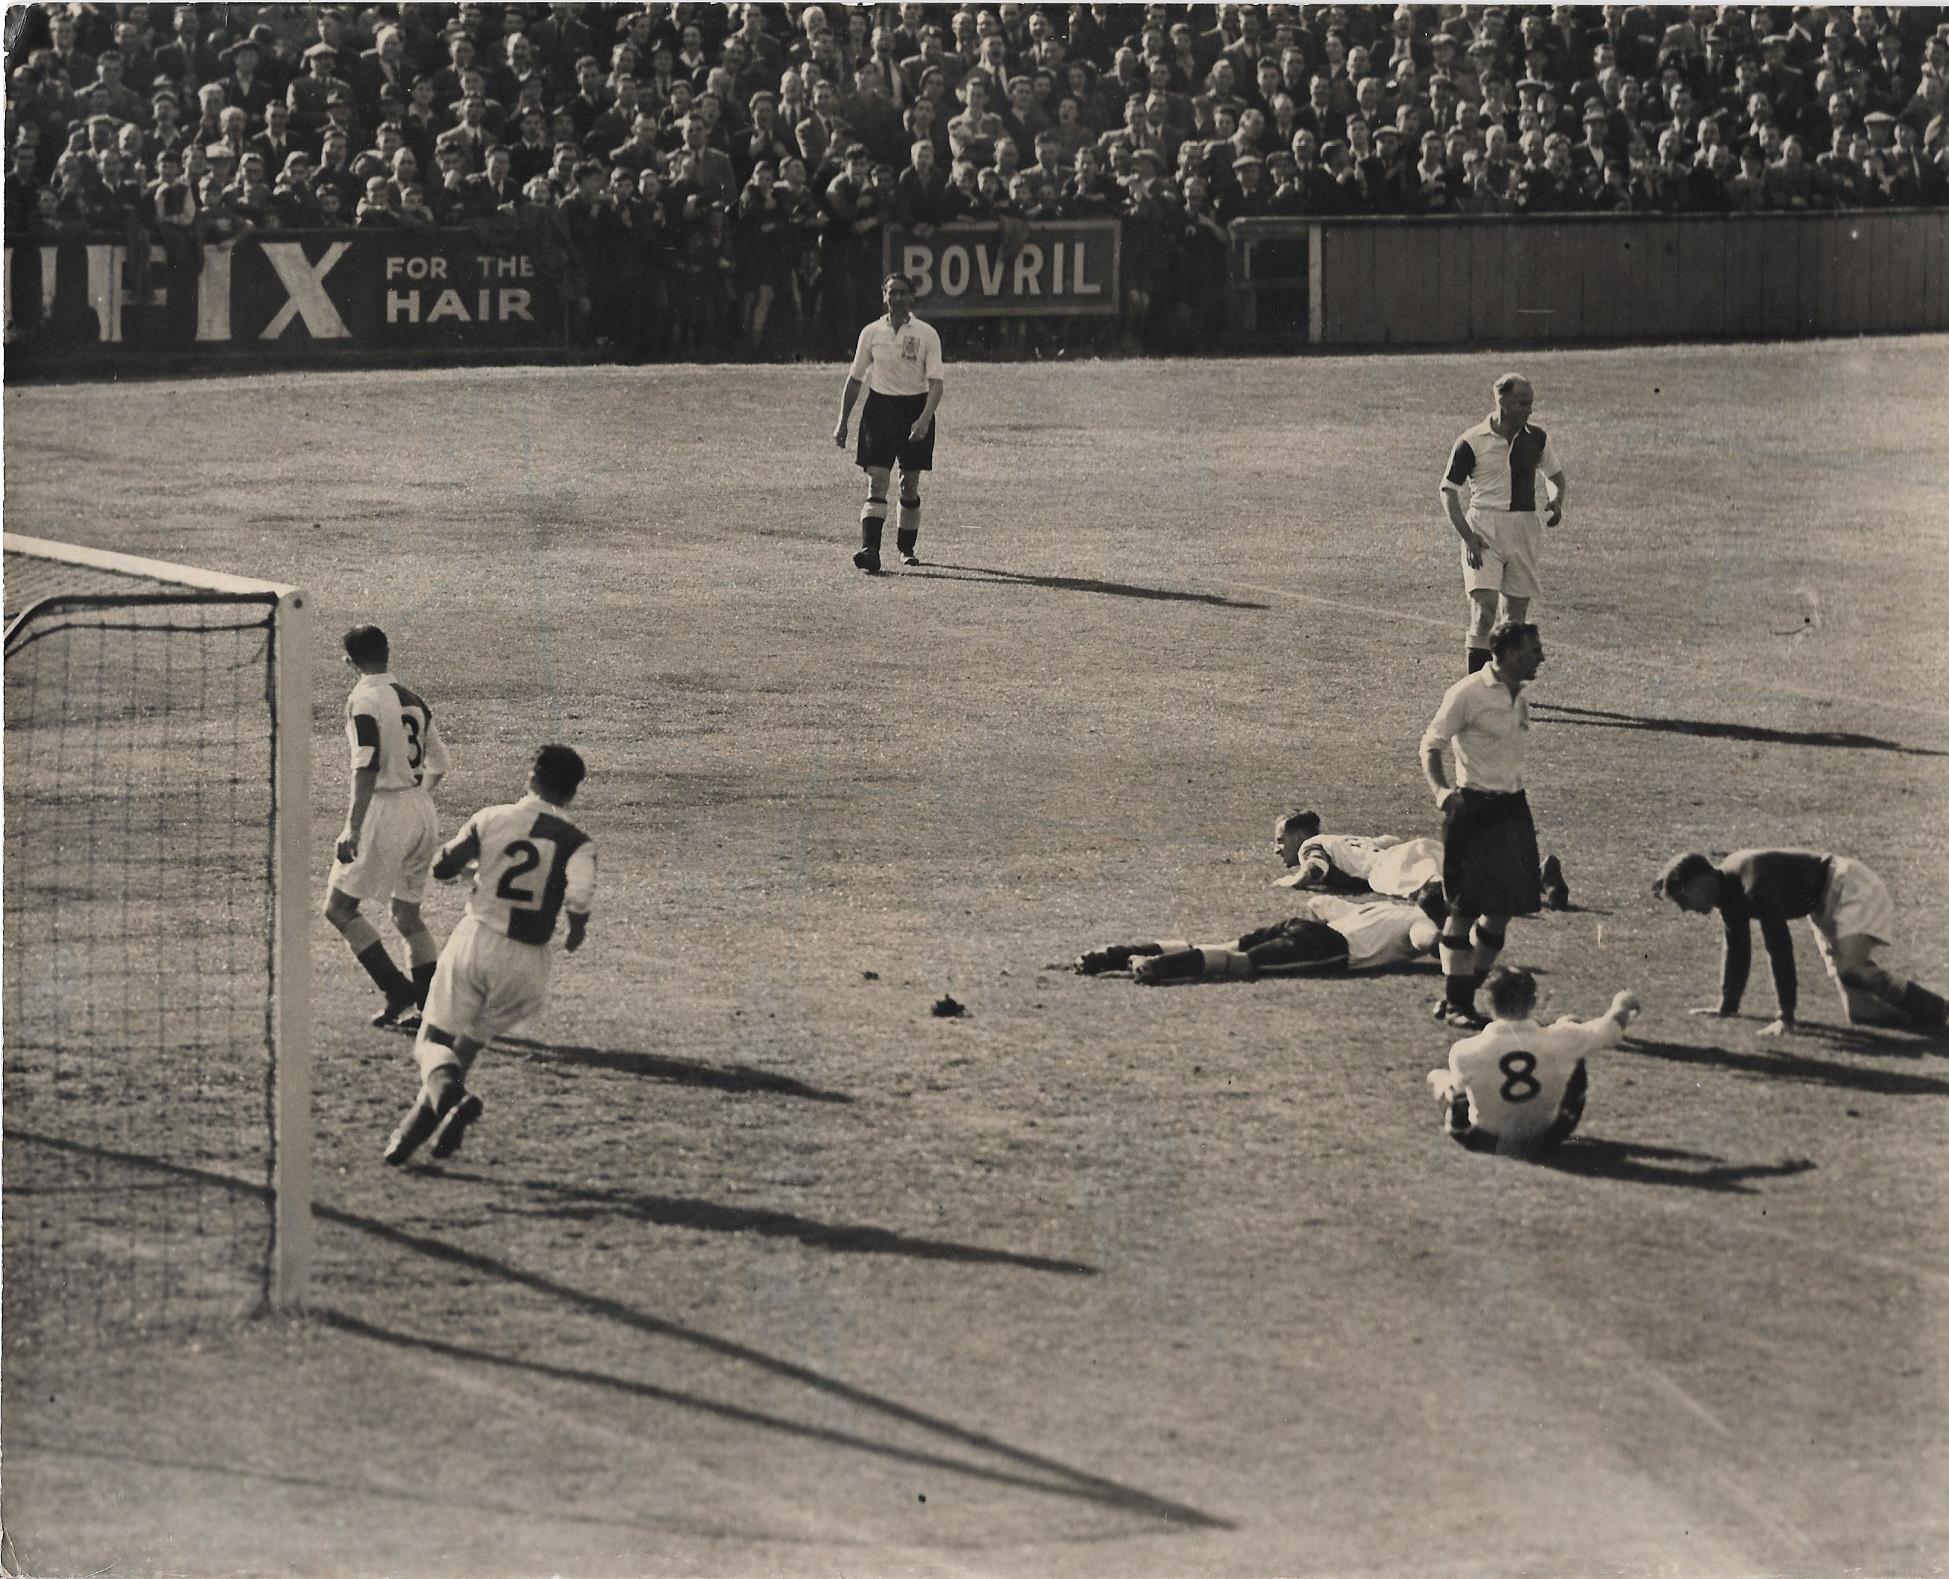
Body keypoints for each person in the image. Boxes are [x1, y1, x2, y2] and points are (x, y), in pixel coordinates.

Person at [384, 745, 597, 1166]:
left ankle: (451, 1096)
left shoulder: (492, 818)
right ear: (571, 794)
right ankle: (409, 1139)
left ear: (530, 778)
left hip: (477, 941)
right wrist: (576, 931)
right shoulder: (578, 842)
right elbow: (579, 894)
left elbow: (444, 866)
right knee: (465, 1049)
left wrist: (465, 870)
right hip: (527, 965)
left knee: (432, 1040)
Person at [1654, 849, 1949, 1037]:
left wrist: (1786, 1016)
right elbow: (1738, 949)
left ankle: (1940, 1009)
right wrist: (1726, 1006)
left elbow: (1779, 947)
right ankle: (1930, 1021)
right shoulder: (1726, 893)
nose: (1685, 908)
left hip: (1846, 884)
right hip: (1822, 905)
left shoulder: (1752, 884)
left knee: (1852, 969)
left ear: (1701, 880)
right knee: (1862, 1015)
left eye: (1684, 897)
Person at [1419, 620, 1548, 1029]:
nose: (1540, 657)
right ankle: (1457, 1004)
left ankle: (1461, 994)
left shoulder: (1519, 697)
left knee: (1502, 911)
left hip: (1512, 810)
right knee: (1463, 910)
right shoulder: (1467, 693)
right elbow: (1431, 744)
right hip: (1473, 810)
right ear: (1509, 653)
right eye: (1533, 650)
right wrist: (1442, 792)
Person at [323, 625, 448, 1033]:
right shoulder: (412, 699)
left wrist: (352, 828)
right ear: (387, 651)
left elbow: (366, 764)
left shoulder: (363, 699)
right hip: (421, 809)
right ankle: (430, 1011)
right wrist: (415, 796)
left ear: (348, 661)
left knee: (339, 908)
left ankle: (398, 991)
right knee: (407, 916)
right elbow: (440, 762)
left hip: (385, 810)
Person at [1428, 967, 1642, 1157]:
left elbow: (1461, 1095)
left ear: (1489, 1002)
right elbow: (1610, 1029)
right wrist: (1621, 1004)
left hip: (1484, 1140)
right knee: (1575, 1049)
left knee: (1440, 1079)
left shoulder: (1464, 1050)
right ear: (1533, 1002)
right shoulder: (1560, 1038)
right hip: (1546, 1137)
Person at [1440, 371, 1568, 674]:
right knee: (1484, 609)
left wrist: (1556, 501)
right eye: (1523, 403)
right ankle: (1477, 685)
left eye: (1531, 403)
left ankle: (1504, 685)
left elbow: (1556, 478)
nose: (1530, 410)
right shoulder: (1471, 441)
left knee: (1515, 620)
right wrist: (1468, 537)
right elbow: (1448, 492)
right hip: (1484, 529)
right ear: (1503, 402)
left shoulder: (1537, 438)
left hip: (1524, 529)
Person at [1075, 885, 1446, 983]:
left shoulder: (1387, 908)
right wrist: (1453, 949)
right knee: (1240, 965)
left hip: (1311, 927)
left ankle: (1112, 954)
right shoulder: (1421, 923)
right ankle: (1156, 966)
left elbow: (1321, 903)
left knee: (1220, 946)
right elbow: (1426, 942)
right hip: (1331, 947)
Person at [832, 272, 944, 573]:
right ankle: (870, 550)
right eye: (891, 292)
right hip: (879, 411)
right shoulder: (871, 332)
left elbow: (936, 384)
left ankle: (906, 548)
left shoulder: (926, 334)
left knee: (909, 484)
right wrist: (842, 421)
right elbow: (855, 380)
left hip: (913, 410)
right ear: (884, 295)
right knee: (877, 479)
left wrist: (923, 419)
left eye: (902, 292)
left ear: (912, 297)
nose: (896, 298)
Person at [1270, 808, 1446, 898]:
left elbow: (1315, 868)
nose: (1276, 849)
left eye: (1281, 840)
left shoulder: (1309, 845)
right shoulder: (1342, 840)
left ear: (1299, 836)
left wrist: (1290, 881)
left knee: (1437, 896)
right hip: (1415, 849)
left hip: (1390, 869)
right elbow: (1391, 840)